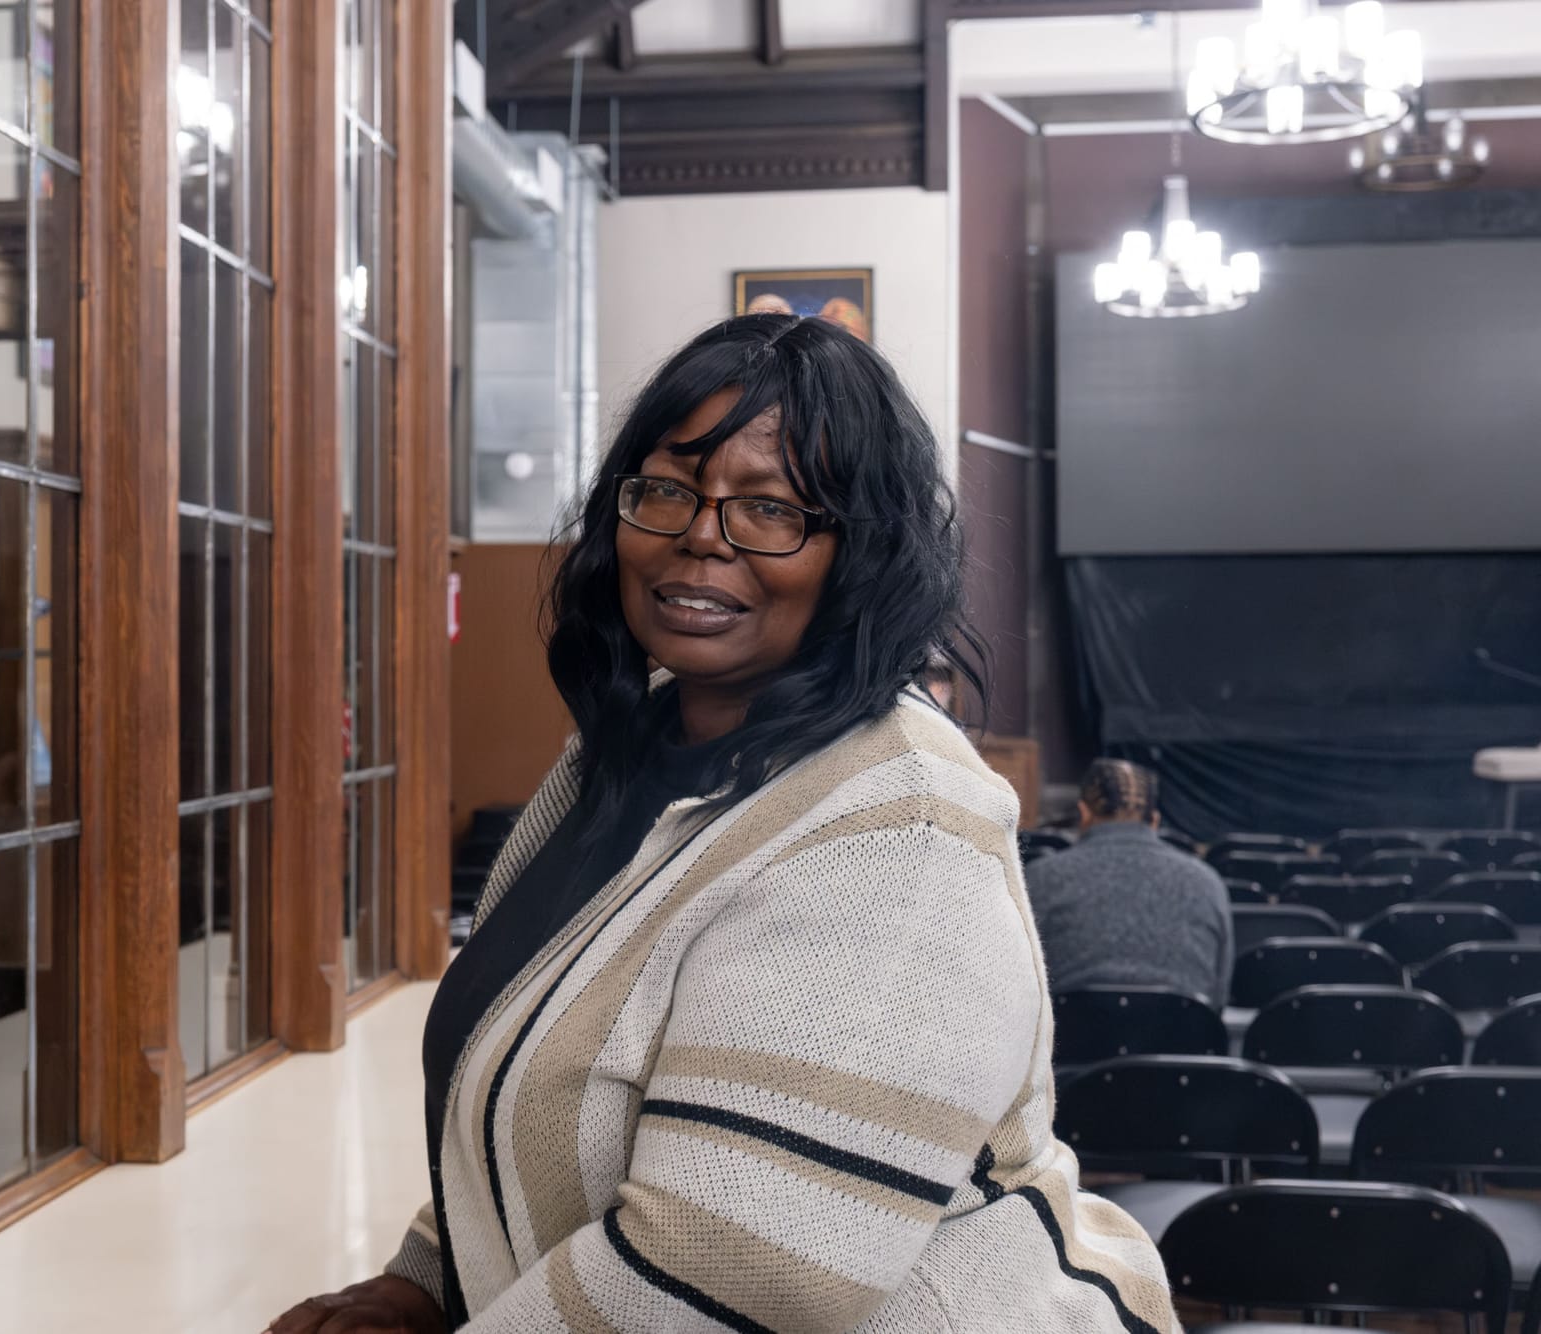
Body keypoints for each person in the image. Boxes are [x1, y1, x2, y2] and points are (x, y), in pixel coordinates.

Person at [268, 316, 1177, 1333]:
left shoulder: (896, 830)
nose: (702, 533)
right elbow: (547, 1093)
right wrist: (425, 1280)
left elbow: (735, 1272)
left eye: (770, 508)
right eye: (666, 489)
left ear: (860, 552)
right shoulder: (622, 758)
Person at [1026, 759, 1234, 1009]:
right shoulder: (1207, 884)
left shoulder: (1041, 878)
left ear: (1083, 813)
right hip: (1181, 1042)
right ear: (1155, 821)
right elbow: (1218, 997)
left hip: (1071, 1046)